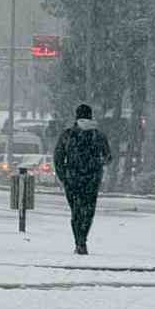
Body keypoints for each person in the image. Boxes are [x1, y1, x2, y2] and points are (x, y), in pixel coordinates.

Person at [53, 104, 112, 255]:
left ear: (76, 116)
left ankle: (78, 241)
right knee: (88, 211)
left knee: (76, 212)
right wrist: (97, 165)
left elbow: (58, 157)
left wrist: (63, 176)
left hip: (72, 179)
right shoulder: (98, 135)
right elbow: (108, 157)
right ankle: (82, 240)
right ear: (91, 116)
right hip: (92, 179)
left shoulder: (68, 134)